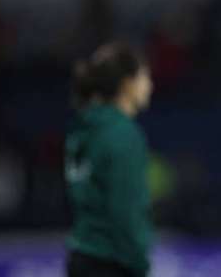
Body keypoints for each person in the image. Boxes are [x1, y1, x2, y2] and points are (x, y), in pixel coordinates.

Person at [65, 42, 154, 277]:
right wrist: (140, 266)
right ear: (127, 83)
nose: (150, 85)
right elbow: (124, 212)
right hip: (113, 262)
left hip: (80, 256)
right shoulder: (123, 133)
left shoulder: (82, 128)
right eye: (145, 76)